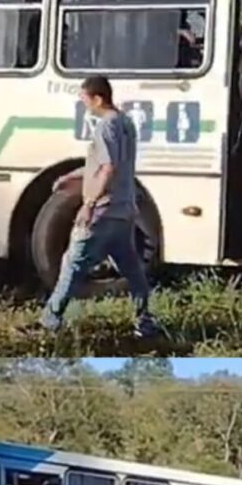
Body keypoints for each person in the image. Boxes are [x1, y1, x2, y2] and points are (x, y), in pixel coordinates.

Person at [42, 75, 159, 338]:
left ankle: (50, 319)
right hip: (124, 210)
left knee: (72, 263)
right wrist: (72, 176)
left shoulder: (105, 127)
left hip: (104, 210)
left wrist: (89, 204)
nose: (86, 106)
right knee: (132, 270)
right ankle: (145, 320)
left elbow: (108, 167)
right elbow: (107, 162)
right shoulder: (126, 123)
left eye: (86, 100)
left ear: (98, 98)